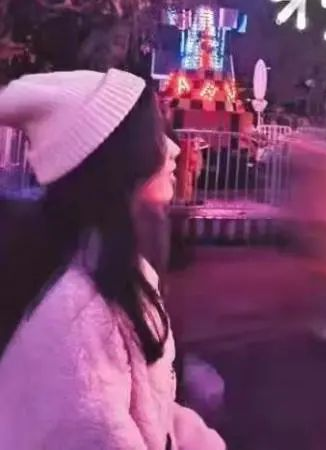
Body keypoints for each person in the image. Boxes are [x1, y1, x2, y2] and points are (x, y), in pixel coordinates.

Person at [0, 68, 225, 450]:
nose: (174, 149)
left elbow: (152, 413)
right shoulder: (77, 318)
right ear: (118, 157)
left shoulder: (116, 268)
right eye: (156, 133)